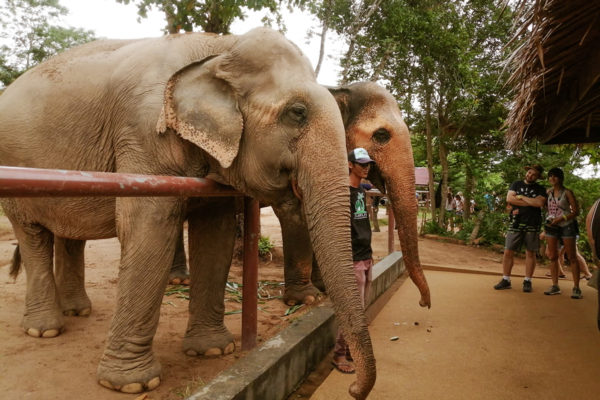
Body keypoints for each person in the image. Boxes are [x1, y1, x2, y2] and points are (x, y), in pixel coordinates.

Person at [332, 147, 375, 374]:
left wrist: (369, 255)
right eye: (361, 164)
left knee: (361, 309)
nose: (366, 167)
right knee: (352, 310)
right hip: (353, 260)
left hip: (366, 256)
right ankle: (339, 354)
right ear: (350, 165)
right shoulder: (343, 193)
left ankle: (350, 349)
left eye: (368, 164)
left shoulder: (361, 191)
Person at [494, 164, 546, 292]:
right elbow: (509, 198)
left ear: (538, 177)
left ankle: (527, 281)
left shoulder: (541, 188)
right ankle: (506, 279)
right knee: (508, 251)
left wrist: (521, 197)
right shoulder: (516, 184)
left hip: (533, 223)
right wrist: (530, 202)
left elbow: (539, 203)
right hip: (515, 222)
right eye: (529, 172)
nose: (530, 175)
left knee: (530, 252)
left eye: (534, 174)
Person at [542, 167, 584, 298]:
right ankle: (555, 285)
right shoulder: (548, 193)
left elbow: (576, 211)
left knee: (572, 257)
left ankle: (576, 288)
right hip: (552, 226)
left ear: (560, 178)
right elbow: (544, 207)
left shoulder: (567, 192)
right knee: (553, 256)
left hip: (567, 225)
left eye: (555, 176)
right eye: (550, 176)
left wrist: (561, 218)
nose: (552, 178)